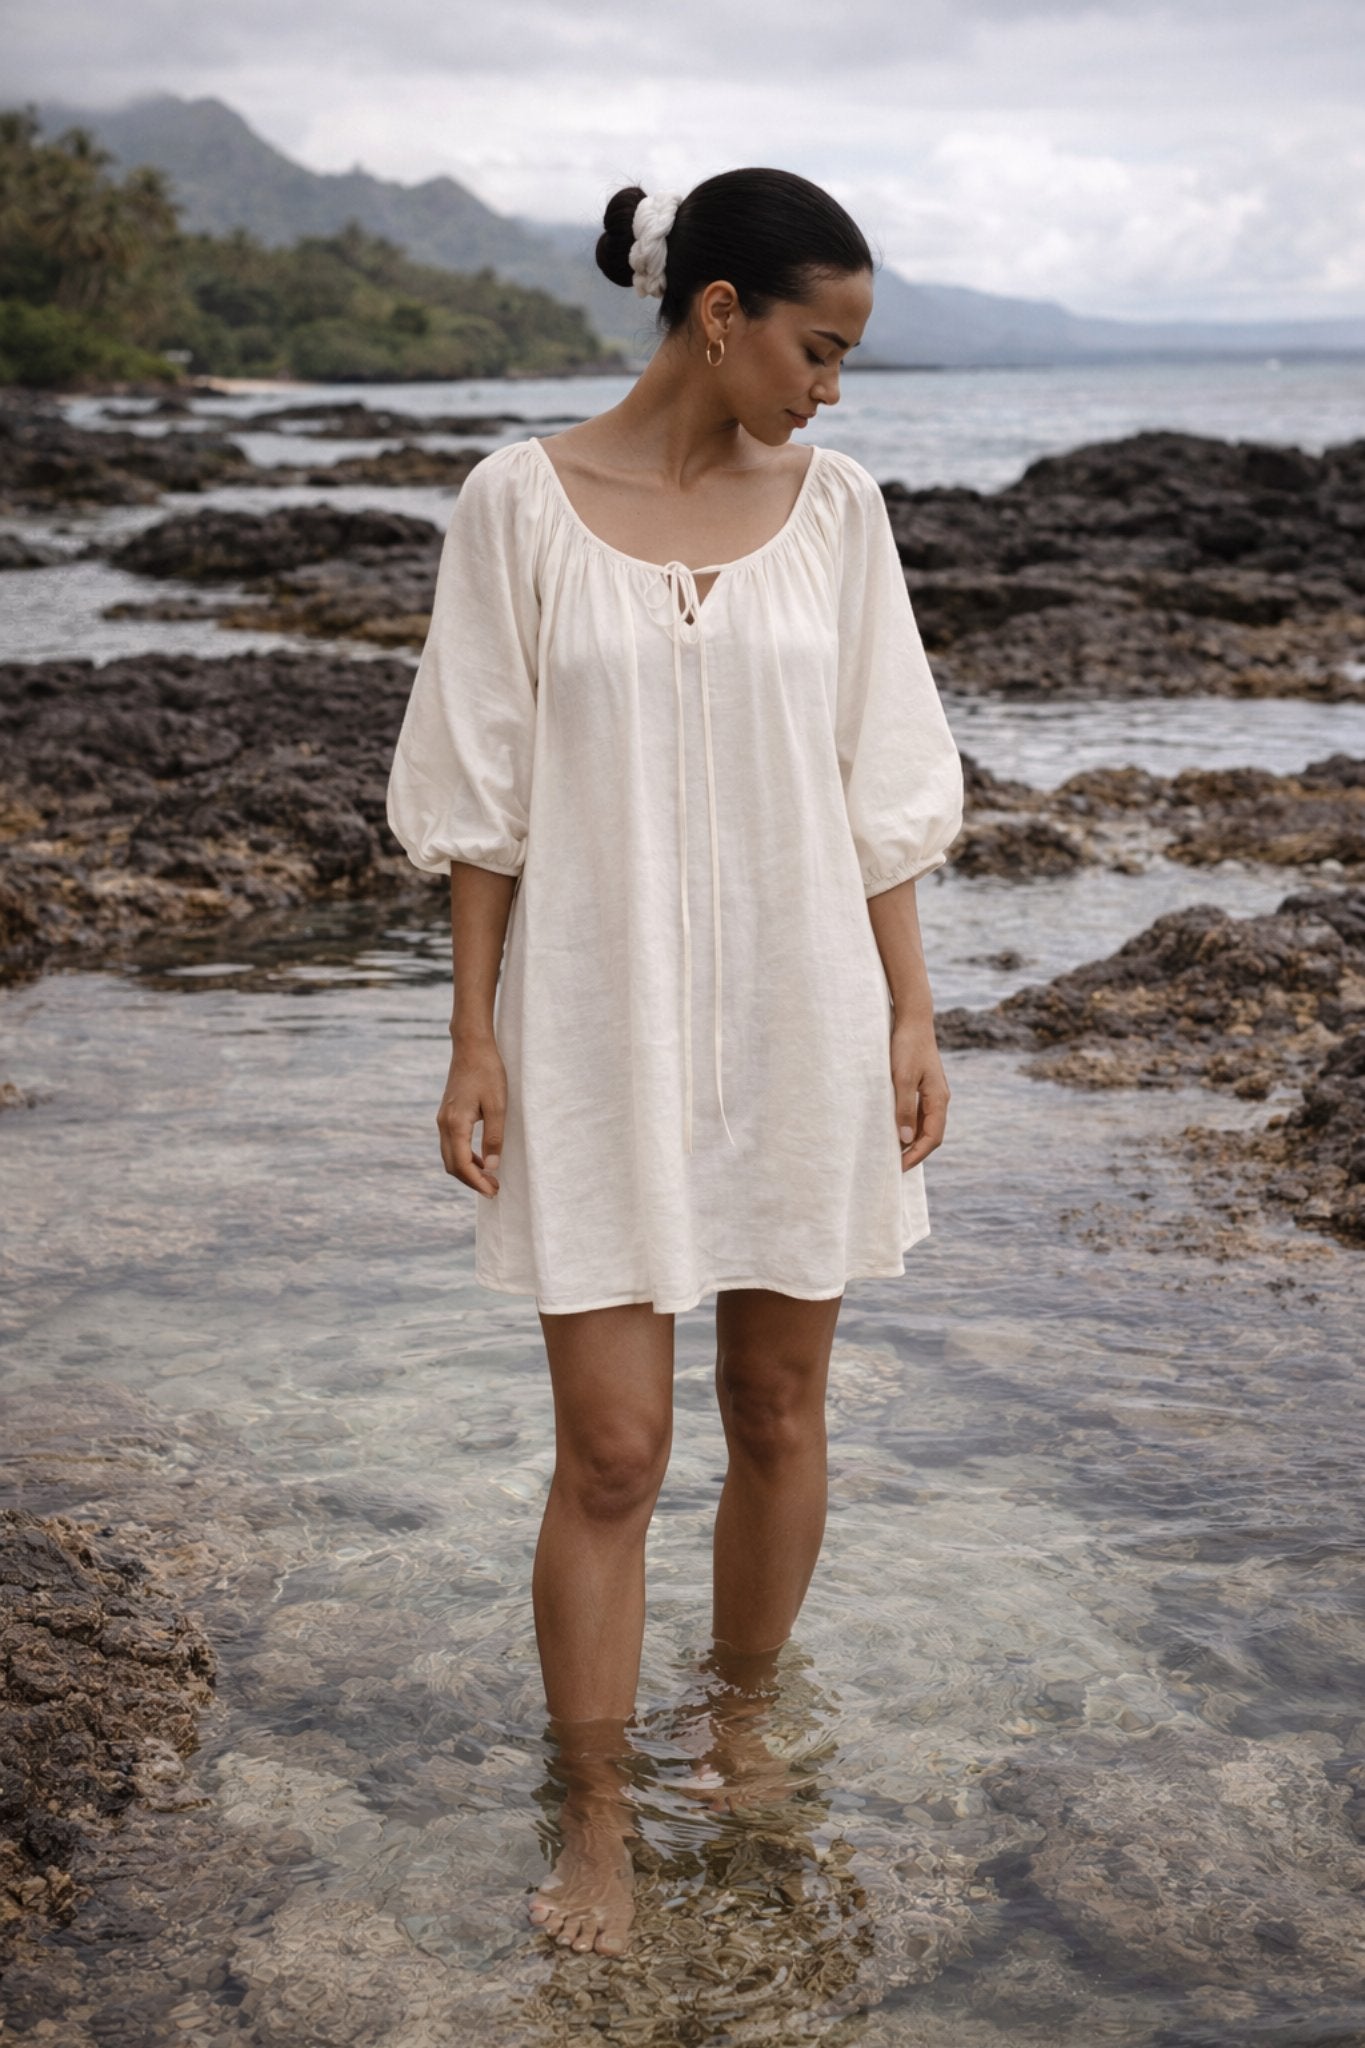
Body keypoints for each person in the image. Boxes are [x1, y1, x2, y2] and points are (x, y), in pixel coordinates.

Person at [386, 167, 964, 1959]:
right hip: (592, 1026)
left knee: (779, 1412)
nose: (831, 386)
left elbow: (882, 789)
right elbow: (482, 795)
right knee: (616, 1451)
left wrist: (911, 1010)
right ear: (719, 315)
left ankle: (735, 1733)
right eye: (819, 344)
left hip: (806, 1016)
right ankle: (591, 1820)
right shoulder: (517, 505)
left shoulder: (840, 511)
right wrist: (470, 1033)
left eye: (848, 355)